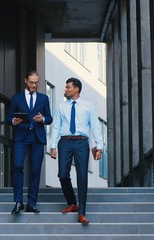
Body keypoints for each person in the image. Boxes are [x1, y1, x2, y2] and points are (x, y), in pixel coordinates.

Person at [50, 77, 103, 225]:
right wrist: (53, 146)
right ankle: (72, 202)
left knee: (82, 177)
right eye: (66, 87)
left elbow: (95, 127)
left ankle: (82, 213)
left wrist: (100, 146)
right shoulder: (61, 107)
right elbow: (56, 127)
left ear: (76, 89)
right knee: (62, 174)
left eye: (68, 87)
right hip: (65, 142)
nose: (65, 90)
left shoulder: (88, 106)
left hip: (81, 143)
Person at [7, 70, 52, 214]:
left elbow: (50, 118)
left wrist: (43, 119)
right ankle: (18, 202)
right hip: (21, 136)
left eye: (36, 82)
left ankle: (31, 203)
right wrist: (15, 120)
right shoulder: (16, 98)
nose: (34, 85)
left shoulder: (44, 98)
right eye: (31, 82)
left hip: (37, 137)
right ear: (25, 81)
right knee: (18, 165)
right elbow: (9, 117)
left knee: (35, 170)